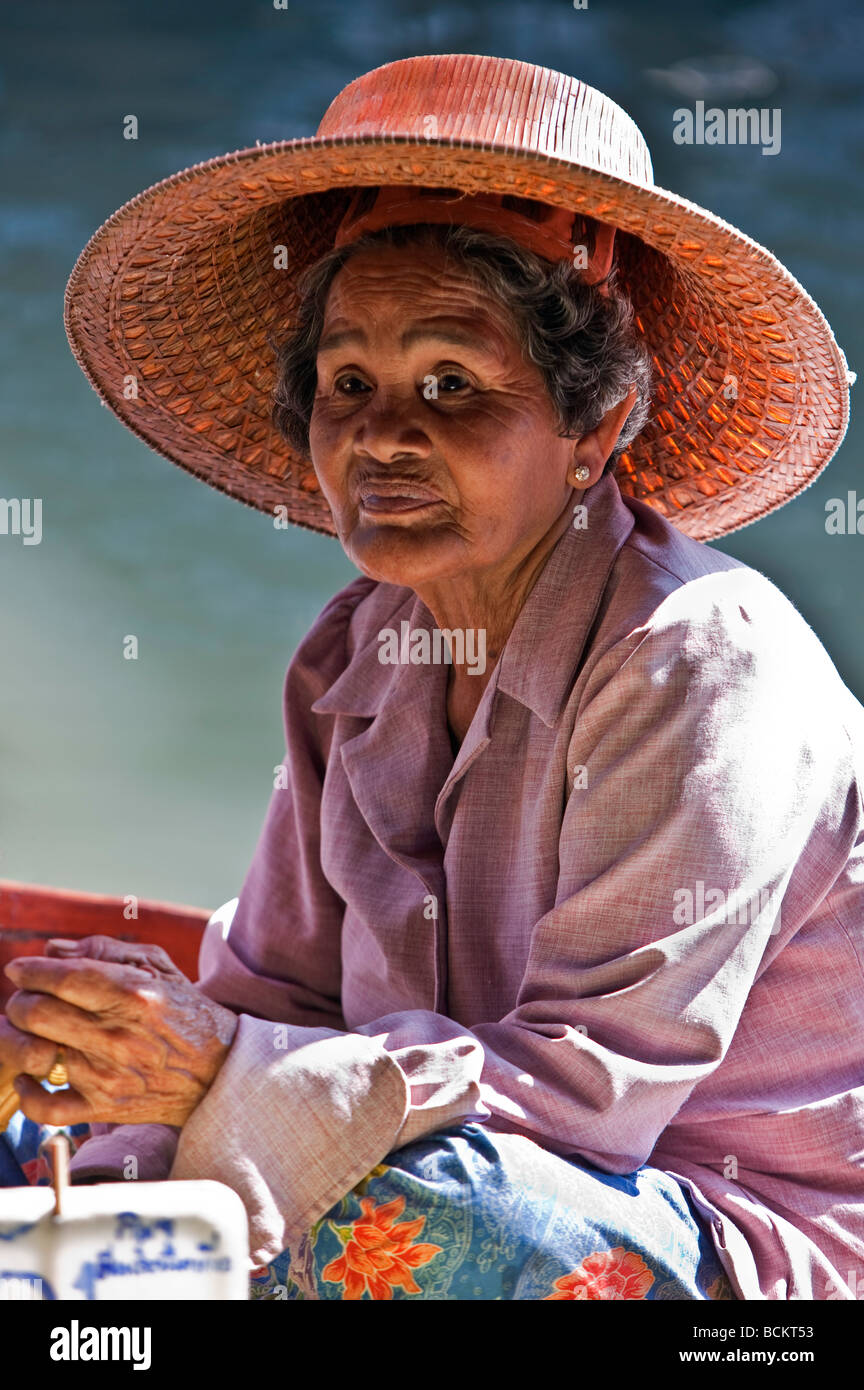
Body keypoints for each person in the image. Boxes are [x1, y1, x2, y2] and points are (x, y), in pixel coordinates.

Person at [1, 54, 861, 1301]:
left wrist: (219, 1071)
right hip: (424, 1144)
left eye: (451, 384)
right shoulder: (358, 655)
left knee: (403, 1216)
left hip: (713, 1236)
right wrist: (118, 1099)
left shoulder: (697, 661)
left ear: (596, 422)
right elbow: (273, 987)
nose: (382, 434)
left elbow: (583, 1095)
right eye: (349, 383)